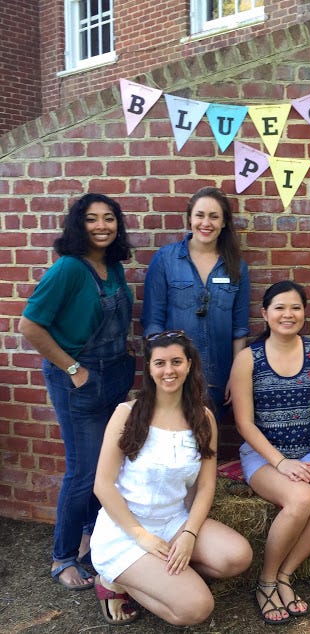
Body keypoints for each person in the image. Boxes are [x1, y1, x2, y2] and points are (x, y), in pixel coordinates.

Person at [90, 330, 252, 626]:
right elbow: (102, 484)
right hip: (126, 529)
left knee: (237, 556)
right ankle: (115, 580)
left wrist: (190, 534)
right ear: (149, 368)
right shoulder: (127, 414)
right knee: (196, 609)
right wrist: (141, 536)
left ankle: (163, 576)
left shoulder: (203, 418)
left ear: (189, 365)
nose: (169, 370)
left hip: (173, 521)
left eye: (176, 361)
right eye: (160, 363)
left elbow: (206, 486)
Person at [18, 193, 136, 591]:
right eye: (92, 219)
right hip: (79, 381)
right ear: (78, 224)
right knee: (84, 471)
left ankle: (90, 536)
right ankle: (63, 556)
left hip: (115, 374)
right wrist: (74, 369)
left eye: (109, 218)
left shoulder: (113, 265)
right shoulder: (68, 268)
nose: (102, 226)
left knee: (108, 466)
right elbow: (30, 326)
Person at [229, 280, 310, 625]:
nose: (287, 314)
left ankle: (285, 575)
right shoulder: (248, 359)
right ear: (265, 314)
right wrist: (280, 462)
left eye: (295, 307)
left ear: (304, 313)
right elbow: (244, 423)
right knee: (301, 499)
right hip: (265, 455)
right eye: (279, 307)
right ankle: (266, 581)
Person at [142, 186, 250, 413]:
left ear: (224, 222)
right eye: (200, 215)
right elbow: (153, 323)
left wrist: (236, 376)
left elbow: (239, 329)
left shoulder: (236, 265)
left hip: (218, 378)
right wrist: (161, 372)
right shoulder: (165, 259)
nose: (206, 223)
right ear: (190, 219)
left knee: (211, 434)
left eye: (214, 216)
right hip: (174, 378)